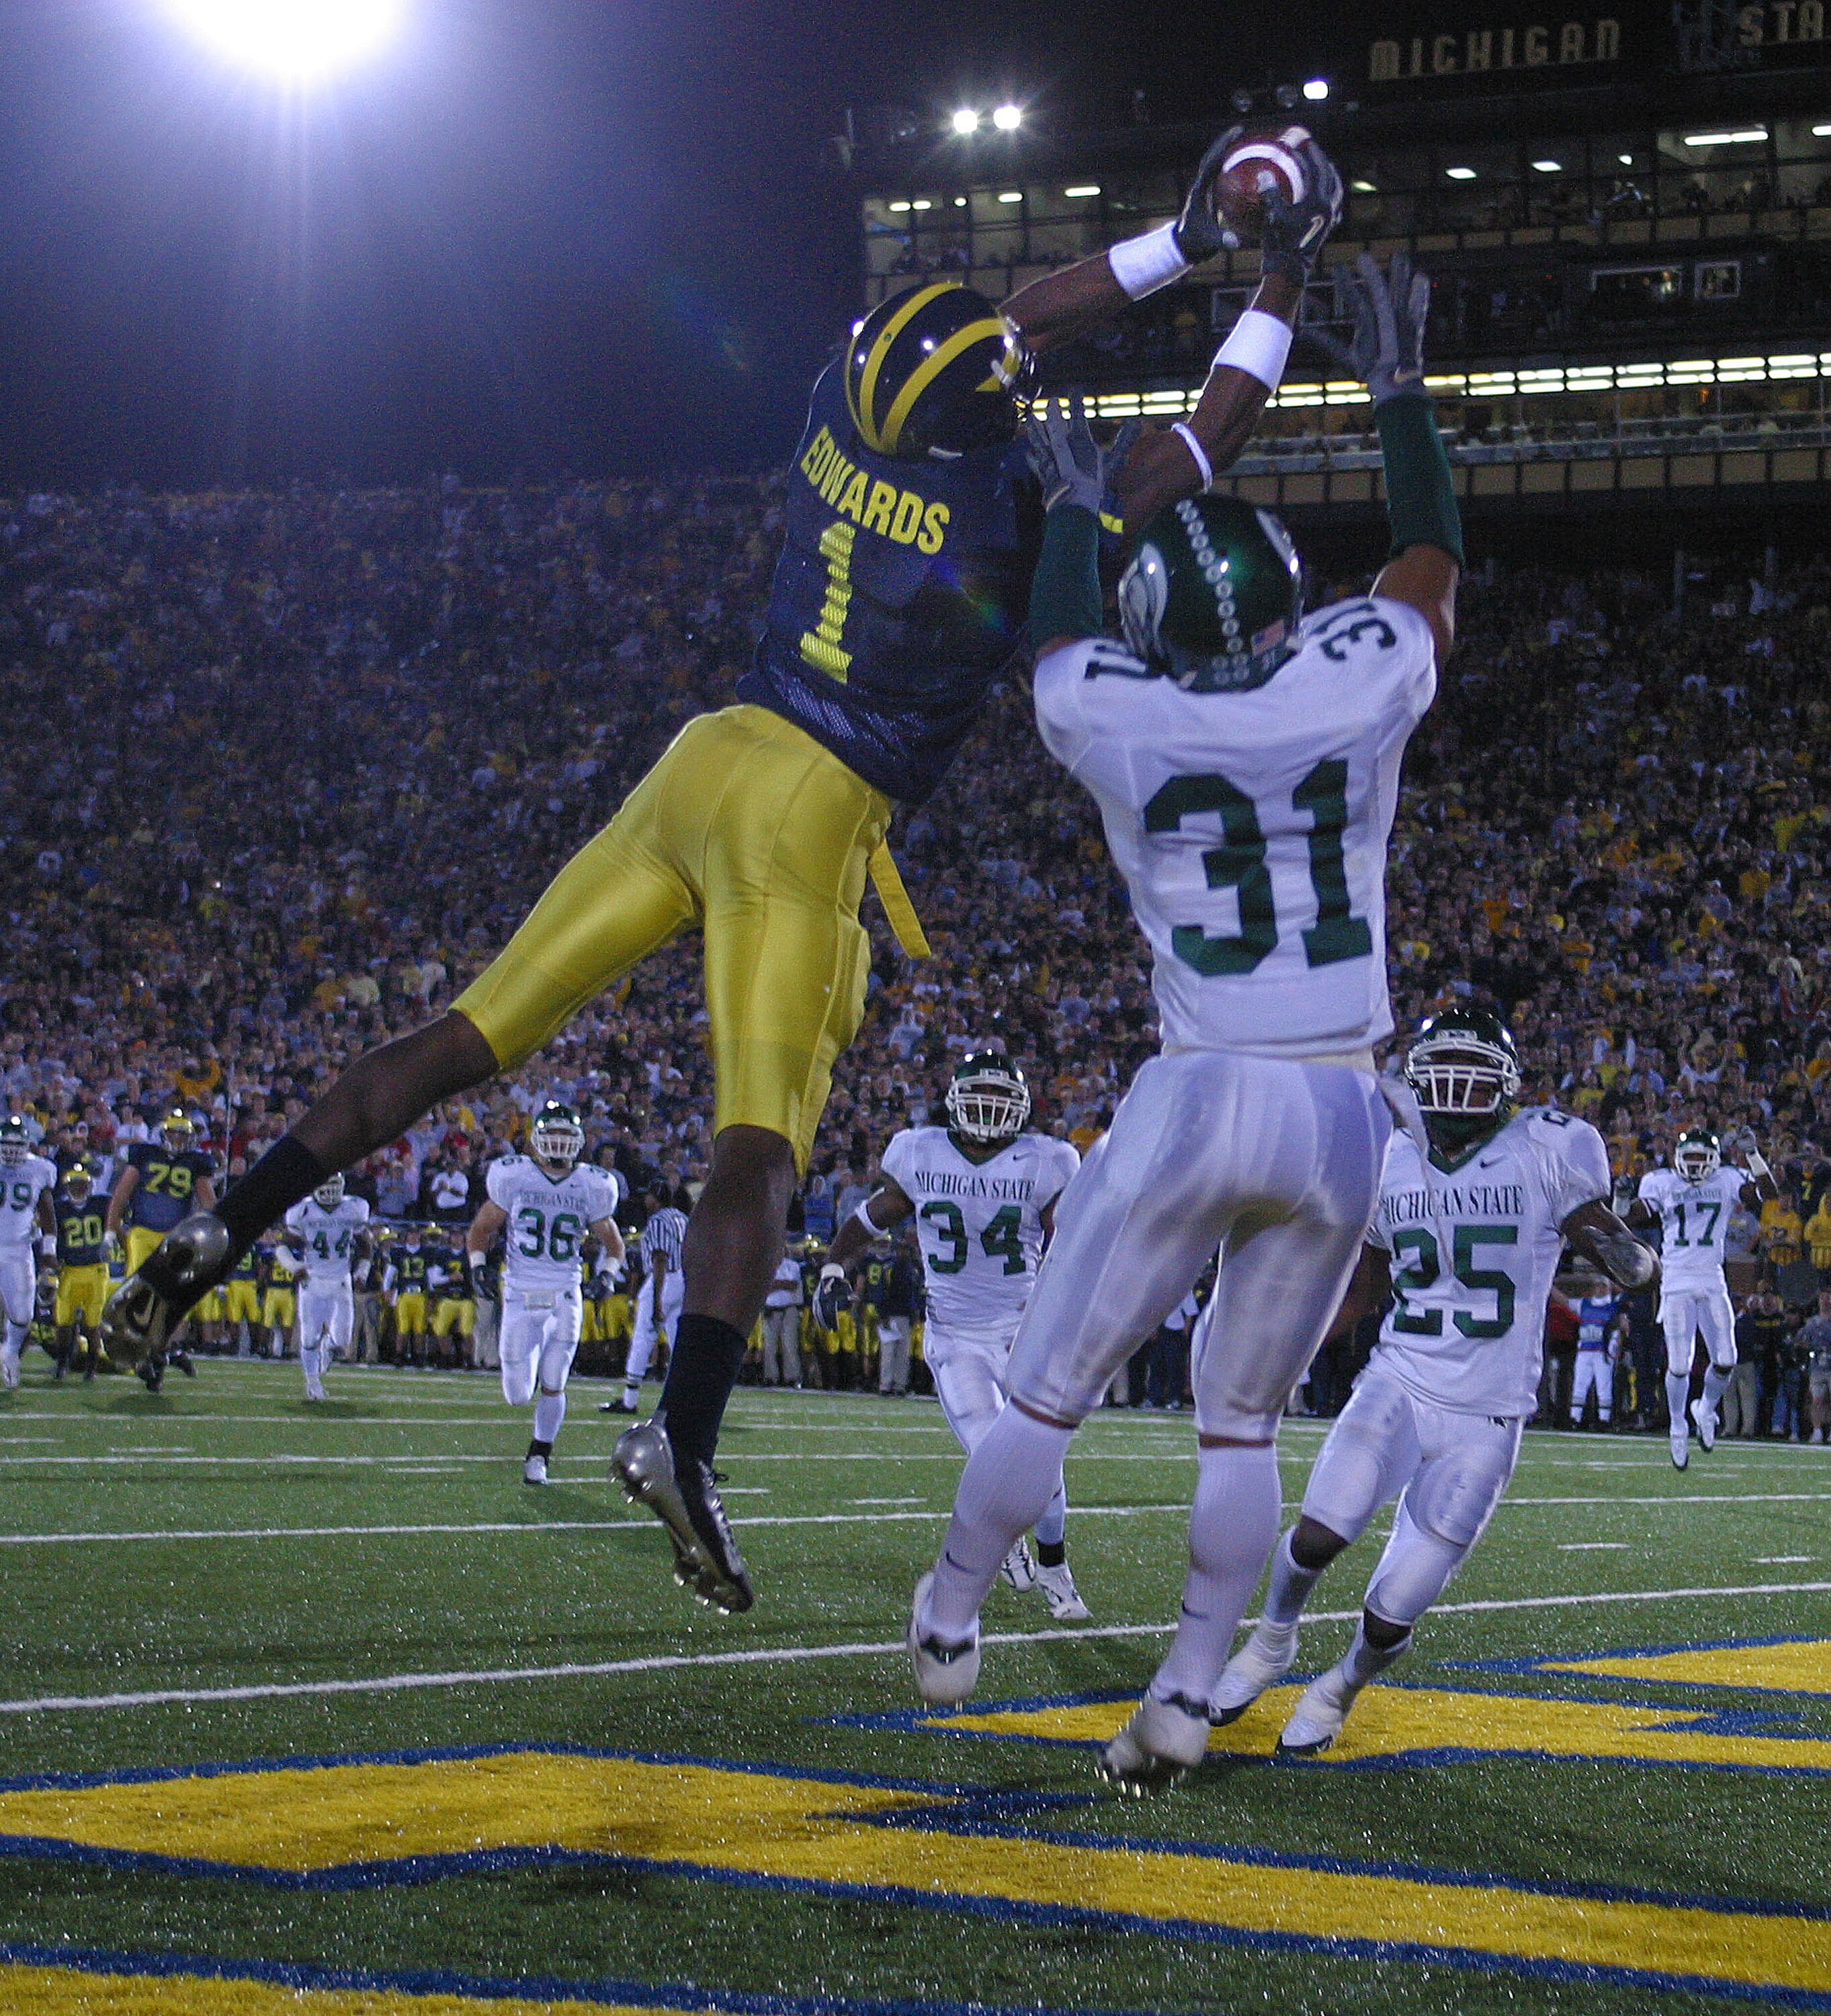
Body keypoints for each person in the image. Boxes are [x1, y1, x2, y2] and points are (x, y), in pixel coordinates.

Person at [100, 126, 1345, 1616]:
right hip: (811, 814)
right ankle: (684, 1438)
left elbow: (1011, 326)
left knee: (467, 1037)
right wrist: (1275, 276)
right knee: (758, 1148)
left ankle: (220, 1223)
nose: (1026, 372)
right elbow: (1198, 443)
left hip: (703, 756)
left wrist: (1182, 238)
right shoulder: (1007, 520)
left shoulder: (843, 398)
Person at [905, 250, 1463, 1793]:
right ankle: (1184, 1689)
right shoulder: (1358, 674)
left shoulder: (1117, 713)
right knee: (1237, 1432)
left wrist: (1087, 507)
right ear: (1293, 603)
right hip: (1343, 1104)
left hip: (1200, 1082)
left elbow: (1063, 629)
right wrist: (1398, 388)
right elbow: (1426, 558)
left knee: (1047, 1390)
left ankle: (951, 1611)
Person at [1208, 1010, 1657, 1755]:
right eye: (1443, 1074)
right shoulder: (1390, 1160)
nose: (1455, 1093)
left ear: (1506, 1087)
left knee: (1392, 1615)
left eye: (1473, 1077)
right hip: (1400, 1382)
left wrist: (1623, 1254)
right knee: (1319, 1532)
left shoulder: (1549, 1146)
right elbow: (1368, 1280)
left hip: (1487, 1415)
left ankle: (1339, 1686)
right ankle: (1270, 1642)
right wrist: (1296, 1348)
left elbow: (1604, 1239)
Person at [824, 1055, 1086, 1618]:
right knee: (993, 1451)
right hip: (957, 1335)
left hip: (1026, 1330)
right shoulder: (921, 1152)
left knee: (1041, 1460)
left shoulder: (1047, 1160)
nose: (989, 1109)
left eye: (1001, 1096)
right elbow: (873, 1218)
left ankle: (1054, 1563)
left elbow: (1074, 1236)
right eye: (978, 1094)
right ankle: (1008, 1537)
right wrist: (833, 1266)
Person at [464, 1099, 624, 1482]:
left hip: (564, 1291)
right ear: (535, 1139)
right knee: (518, 1394)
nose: (557, 1142)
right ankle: (528, 1380)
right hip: (520, 1290)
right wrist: (478, 1266)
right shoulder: (514, 1175)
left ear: (579, 1141)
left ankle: (539, 1455)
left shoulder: (593, 1183)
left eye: (565, 1134)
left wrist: (607, 1275)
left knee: (555, 1382)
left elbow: (614, 1245)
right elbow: (481, 1231)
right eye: (550, 1133)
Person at [1631, 1126, 1777, 1468]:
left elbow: (1767, 1194)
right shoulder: (1661, 1182)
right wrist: (1624, 1196)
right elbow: (1632, 1216)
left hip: (1712, 1277)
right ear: (1678, 1159)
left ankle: (1706, 1410)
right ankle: (1678, 1425)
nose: (1696, 1165)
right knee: (1679, 1364)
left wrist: (1754, 1155)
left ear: (1714, 1160)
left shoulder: (1726, 1179)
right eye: (1690, 1158)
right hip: (1677, 1279)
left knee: (1727, 1359)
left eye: (1701, 1158)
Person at [105, 1109, 213, 1388]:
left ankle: (161, 1355)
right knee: (142, 1295)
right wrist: (110, 1228)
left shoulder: (196, 1162)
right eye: (174, 1133)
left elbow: (208, 1201)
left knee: (172, 1297)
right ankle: (151, 1355)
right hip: (142, 1233)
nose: (177, 1139)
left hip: (176, 1236)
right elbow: (122, 1192)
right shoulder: (144, 1154)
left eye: (182, 1134)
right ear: (164, 1133)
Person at [280, 1173, 372, 1402]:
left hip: (341, 1279)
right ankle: (313, 1382)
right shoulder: (303, 1211)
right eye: (326, 1185)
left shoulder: (354, 1208)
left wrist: (362, 1272)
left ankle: (328, 1348)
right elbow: (282, 1247)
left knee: (342, 1339)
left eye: (334, 1185)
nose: (330, 1191)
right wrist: (294, 1266)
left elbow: (366, 1246)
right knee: (309, 1337)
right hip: (313, 1279)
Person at [613, 1189, 689, 1414]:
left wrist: (657, 1301)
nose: (645, 1200)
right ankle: (684, 1402)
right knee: (678, 1343)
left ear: (656, 1198)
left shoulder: (657, 1220)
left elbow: (660, 1258)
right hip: (683, 1279)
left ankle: (629, 1400)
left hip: (664, 1279)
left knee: (643, 1338)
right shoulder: (681, 1217)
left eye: (648, 1196)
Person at [50, 1157, 110, 1382]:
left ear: (89, 1185)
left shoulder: (102, 1204)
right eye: (75, 1184)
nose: (79, 1187)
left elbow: (117, 1223)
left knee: (93, 1324)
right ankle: (63, 1362)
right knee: (63, 1323)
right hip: (70, 1270)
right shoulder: (59, 1209)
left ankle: (91, 1368)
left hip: (97, 1270)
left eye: (82, 1184)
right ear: (67, 1186)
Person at [1568, 1277, 1624, 1429]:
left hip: (1603, 1351)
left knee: (1604, 1385)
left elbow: (1626, 1294)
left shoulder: (1614, 1305)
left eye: (1603, 1286)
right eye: (1598, 1286)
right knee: (1580, 1384)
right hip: (1585, 1350)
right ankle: (1575, 1417)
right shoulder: (1584, 1303)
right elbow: (1565, 1301)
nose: (1600, 1289)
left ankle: (1604, 1419)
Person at [759, 1247, 804, 1388]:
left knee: (789, 1345)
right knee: (769, 1346)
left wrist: (775, 1284)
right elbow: (764, 1285)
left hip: (789, 1308)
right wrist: (781, 1284)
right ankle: (771, 1377)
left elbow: (793, 1285)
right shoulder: (766, 1264)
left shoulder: (792, 1265)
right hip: (770, 1309)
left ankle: (792, 1378)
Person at [386, 1227, 431, 1366]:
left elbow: (430, 1275)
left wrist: (432, 1294)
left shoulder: (426, 1252)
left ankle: (419, 1356)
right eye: (411, 1234)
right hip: (404, 1294)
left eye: (416, 1234)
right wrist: (386, 1289)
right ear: (406, 1236)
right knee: (403, 1328)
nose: (413, 1237)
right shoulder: (398, 1252)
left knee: (420, 1329)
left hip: (421, 1295)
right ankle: (399, 1355)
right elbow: (390, 1272)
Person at [1797, 1288, 1831, 1444]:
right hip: (1817, 1366)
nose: (1826, 1301)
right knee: (1817, 1400)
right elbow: (1801, 1341)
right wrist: (1812, 1347)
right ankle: (1817, 1431)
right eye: (1823, 1298)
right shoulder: (1812, 1322)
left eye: (1828, 1298)